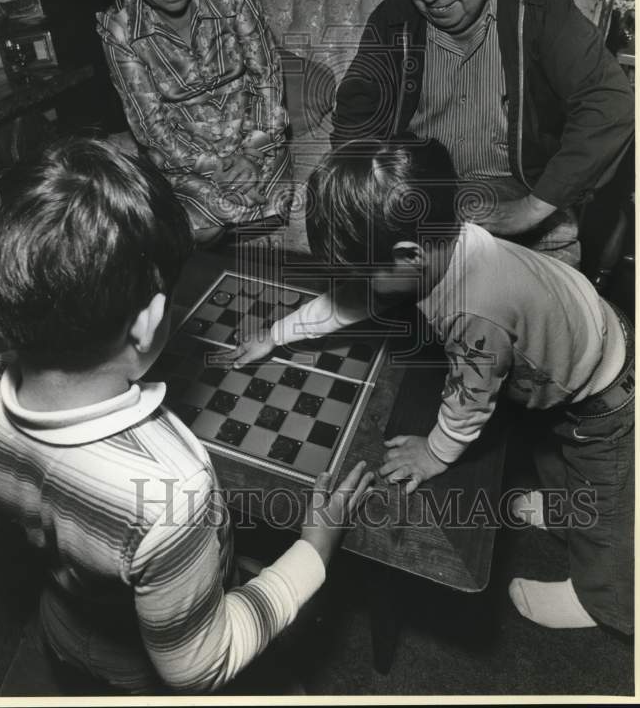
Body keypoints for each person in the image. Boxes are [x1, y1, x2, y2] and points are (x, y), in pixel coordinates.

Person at [0, 135, 373, 694]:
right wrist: (315, 549)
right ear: (150, 322)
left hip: (64, 621)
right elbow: (198, 665)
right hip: (142, 667)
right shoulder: (175, 492)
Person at [229, 137, 633, 635]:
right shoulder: (442, 234)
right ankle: (565, 510)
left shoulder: (472, 311)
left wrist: (435, 453)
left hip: (605, 392)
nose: (364, 284)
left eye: (367, 272)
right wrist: (276, 335)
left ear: (407, 254)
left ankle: (605, 598)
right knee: (555, 456)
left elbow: (470, 400)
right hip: (570, 353)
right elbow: (355, 300)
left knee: (608, 497)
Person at [332, 0, 634, 267]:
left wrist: (530, 209)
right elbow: (357, 110)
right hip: (416, 184)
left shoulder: (542, 12)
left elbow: (610, 103)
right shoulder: (395, 16)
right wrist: (363, 188)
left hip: (510, 187)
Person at [96, 0, 291, 244]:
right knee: (207, 225)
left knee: (267, 207)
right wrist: (214, 168)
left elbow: (267, 77)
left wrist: (250, 153)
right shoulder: (119, 30)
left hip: (254, 138)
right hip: (185, 160)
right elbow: (151, 127)